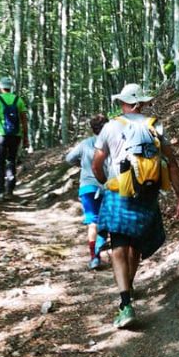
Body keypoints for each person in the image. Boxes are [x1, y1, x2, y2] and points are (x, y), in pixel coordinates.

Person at [92, 82, 179, 329]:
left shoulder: (111, 127)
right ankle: (130, 286)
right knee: (135, 243)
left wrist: (104, 181)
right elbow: (172, 162)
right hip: (147, 192)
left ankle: (125, 303)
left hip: (118, 191)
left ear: (123, 103)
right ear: (142, 103)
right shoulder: (154, 125)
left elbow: (97, 162)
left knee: (119, 243)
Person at [65, 114, 109, 270]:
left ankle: (94, 257)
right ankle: (101, 249)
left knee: (93, 222)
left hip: (87, 187)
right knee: (107, 221)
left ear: (92, 128)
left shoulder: (85, 143)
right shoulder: (111, 143)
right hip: (107, 186)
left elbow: (69, 158)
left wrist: (82, 164)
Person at [0, 76, 29, 199]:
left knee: (0, 162)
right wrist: (26, 138)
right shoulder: (18, 100)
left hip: (1, 136)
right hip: (16, 135)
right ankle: (10, 190)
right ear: (11, 87)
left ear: (0, 86)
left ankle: (0, 191)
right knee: (11, 161)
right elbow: (24, 121)